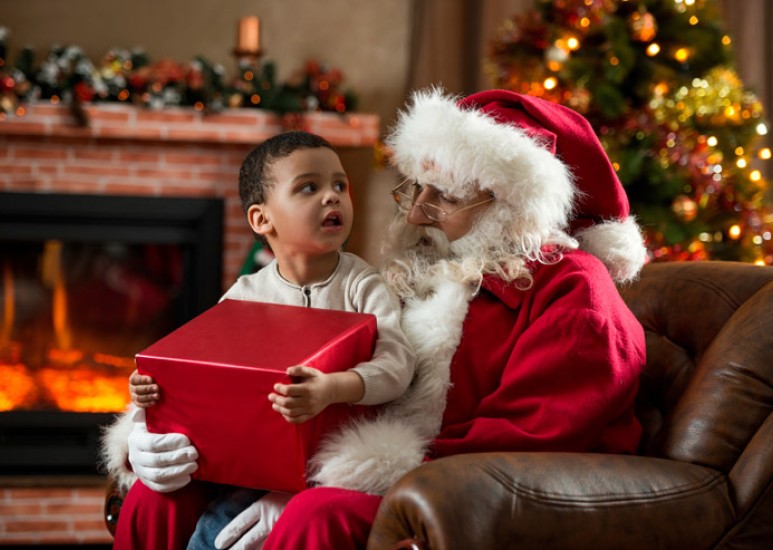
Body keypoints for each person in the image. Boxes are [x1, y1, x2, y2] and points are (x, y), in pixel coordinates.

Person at [105, 87, 649, 550]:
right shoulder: (415, 273)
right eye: (417, 188)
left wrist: (324, 479)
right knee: (160, 498)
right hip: (353, 464)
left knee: (317, 516)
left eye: (444, 197)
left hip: (467, 490)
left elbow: (528, 441)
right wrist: (155, 434)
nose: (415, 213)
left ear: (513, 206)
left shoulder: (576, 290)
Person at [101, 130, 415, 549]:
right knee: (191, 519)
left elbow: (397, 365)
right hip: (246, 464)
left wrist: (334, 387)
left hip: (327, 464)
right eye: (309, 187)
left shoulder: (363, 285)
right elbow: (208, 375)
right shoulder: (244, 294)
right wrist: (151, 400)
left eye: (340, 185)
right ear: (262, 220)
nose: (332, 197)